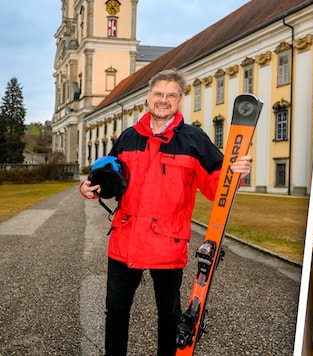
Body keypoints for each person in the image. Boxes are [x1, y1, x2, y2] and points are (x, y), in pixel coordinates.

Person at [79, 69, 252, 355]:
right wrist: (88, 188)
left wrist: (236, 173)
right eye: (159, 94)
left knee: (169, 316)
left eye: (171, 95)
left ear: (179, 100)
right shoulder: (128, 137)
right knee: (116, 311)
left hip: (167, 243)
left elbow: (215, 187)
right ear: (148, 98)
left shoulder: (194, 139)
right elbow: (104, 177)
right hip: (125, 239)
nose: (164, 100)